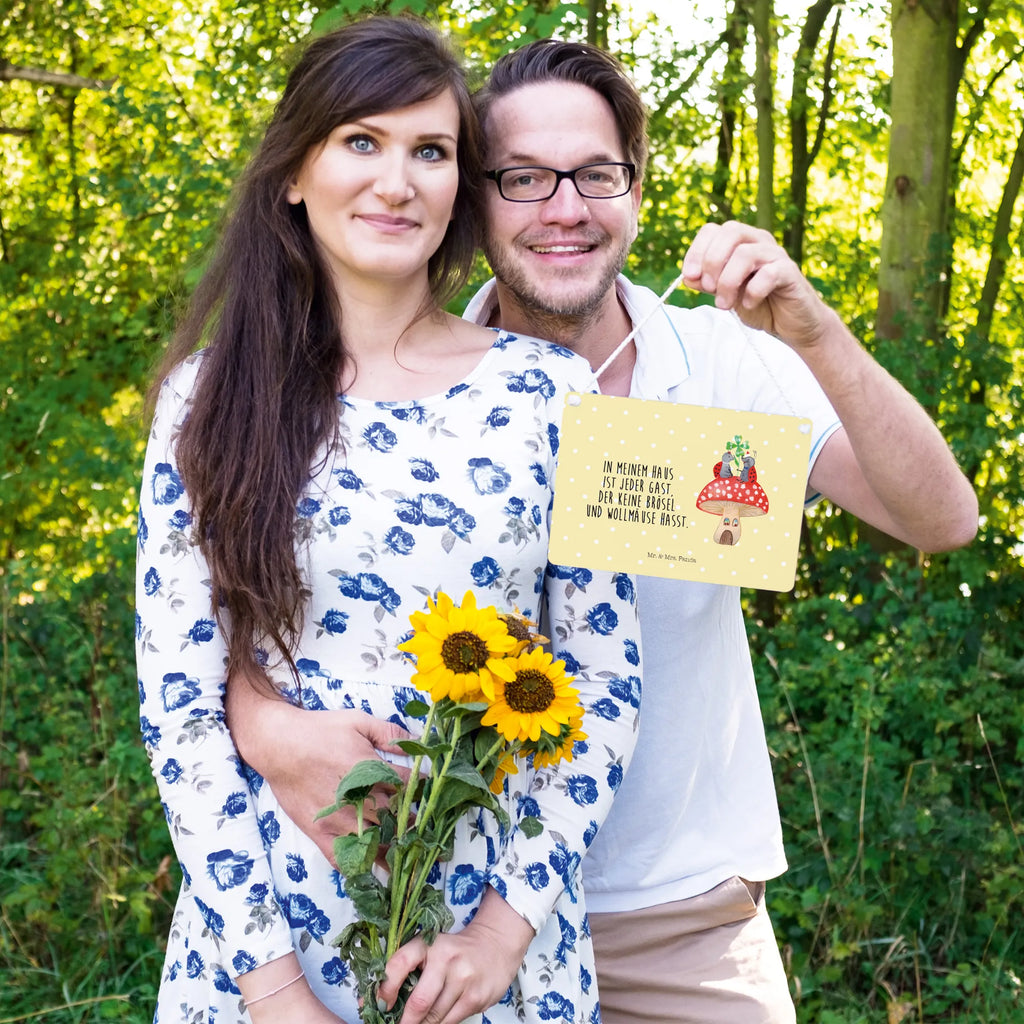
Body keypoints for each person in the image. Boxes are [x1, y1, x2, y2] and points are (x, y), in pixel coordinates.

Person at [226, 36, 979, 1024]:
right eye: (525, 178)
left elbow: (941, 519)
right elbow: (274, 617)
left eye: (595, 174)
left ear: (636, 185)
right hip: (457, 907)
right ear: (473, 196)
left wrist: (808, 327)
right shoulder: (406, 382)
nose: (565, 208)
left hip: (679, 919)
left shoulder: (719, 356)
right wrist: (259, 716)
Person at [135, 19, 641, 1024]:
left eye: (432, 151)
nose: (397, 181)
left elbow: (606, 680)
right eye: (361, 142)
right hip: (265, 936)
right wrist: (276, 994)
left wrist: (498, 935)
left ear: (460, 186)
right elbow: (179, 708)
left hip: (486, 946)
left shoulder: (556, 393)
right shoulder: (207, 400)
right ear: (293, 172)